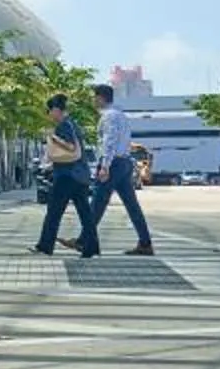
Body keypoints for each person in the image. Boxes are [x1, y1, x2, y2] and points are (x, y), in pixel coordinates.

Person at [88, 81, 157, 254]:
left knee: (97, 202)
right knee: (131, 205)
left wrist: (105, 166)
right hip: (125, 162)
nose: (93, 101)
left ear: (101, 98)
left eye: (94, 97)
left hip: (113, 163)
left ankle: (84, 240)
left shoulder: (109, 116)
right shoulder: (121, 115)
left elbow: (109, 141)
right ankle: (145, 243)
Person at [35, 93, 97, 256]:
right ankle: (91, 247)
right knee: (85, 214)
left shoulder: (63, 126)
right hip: (81, 175)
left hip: (66, 176)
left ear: (56, 110)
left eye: (49, 111)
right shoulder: (74, 125)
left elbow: (69, 148)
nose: (49, 115)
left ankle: (45, 246)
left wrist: (53, 139)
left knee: (54, 212)